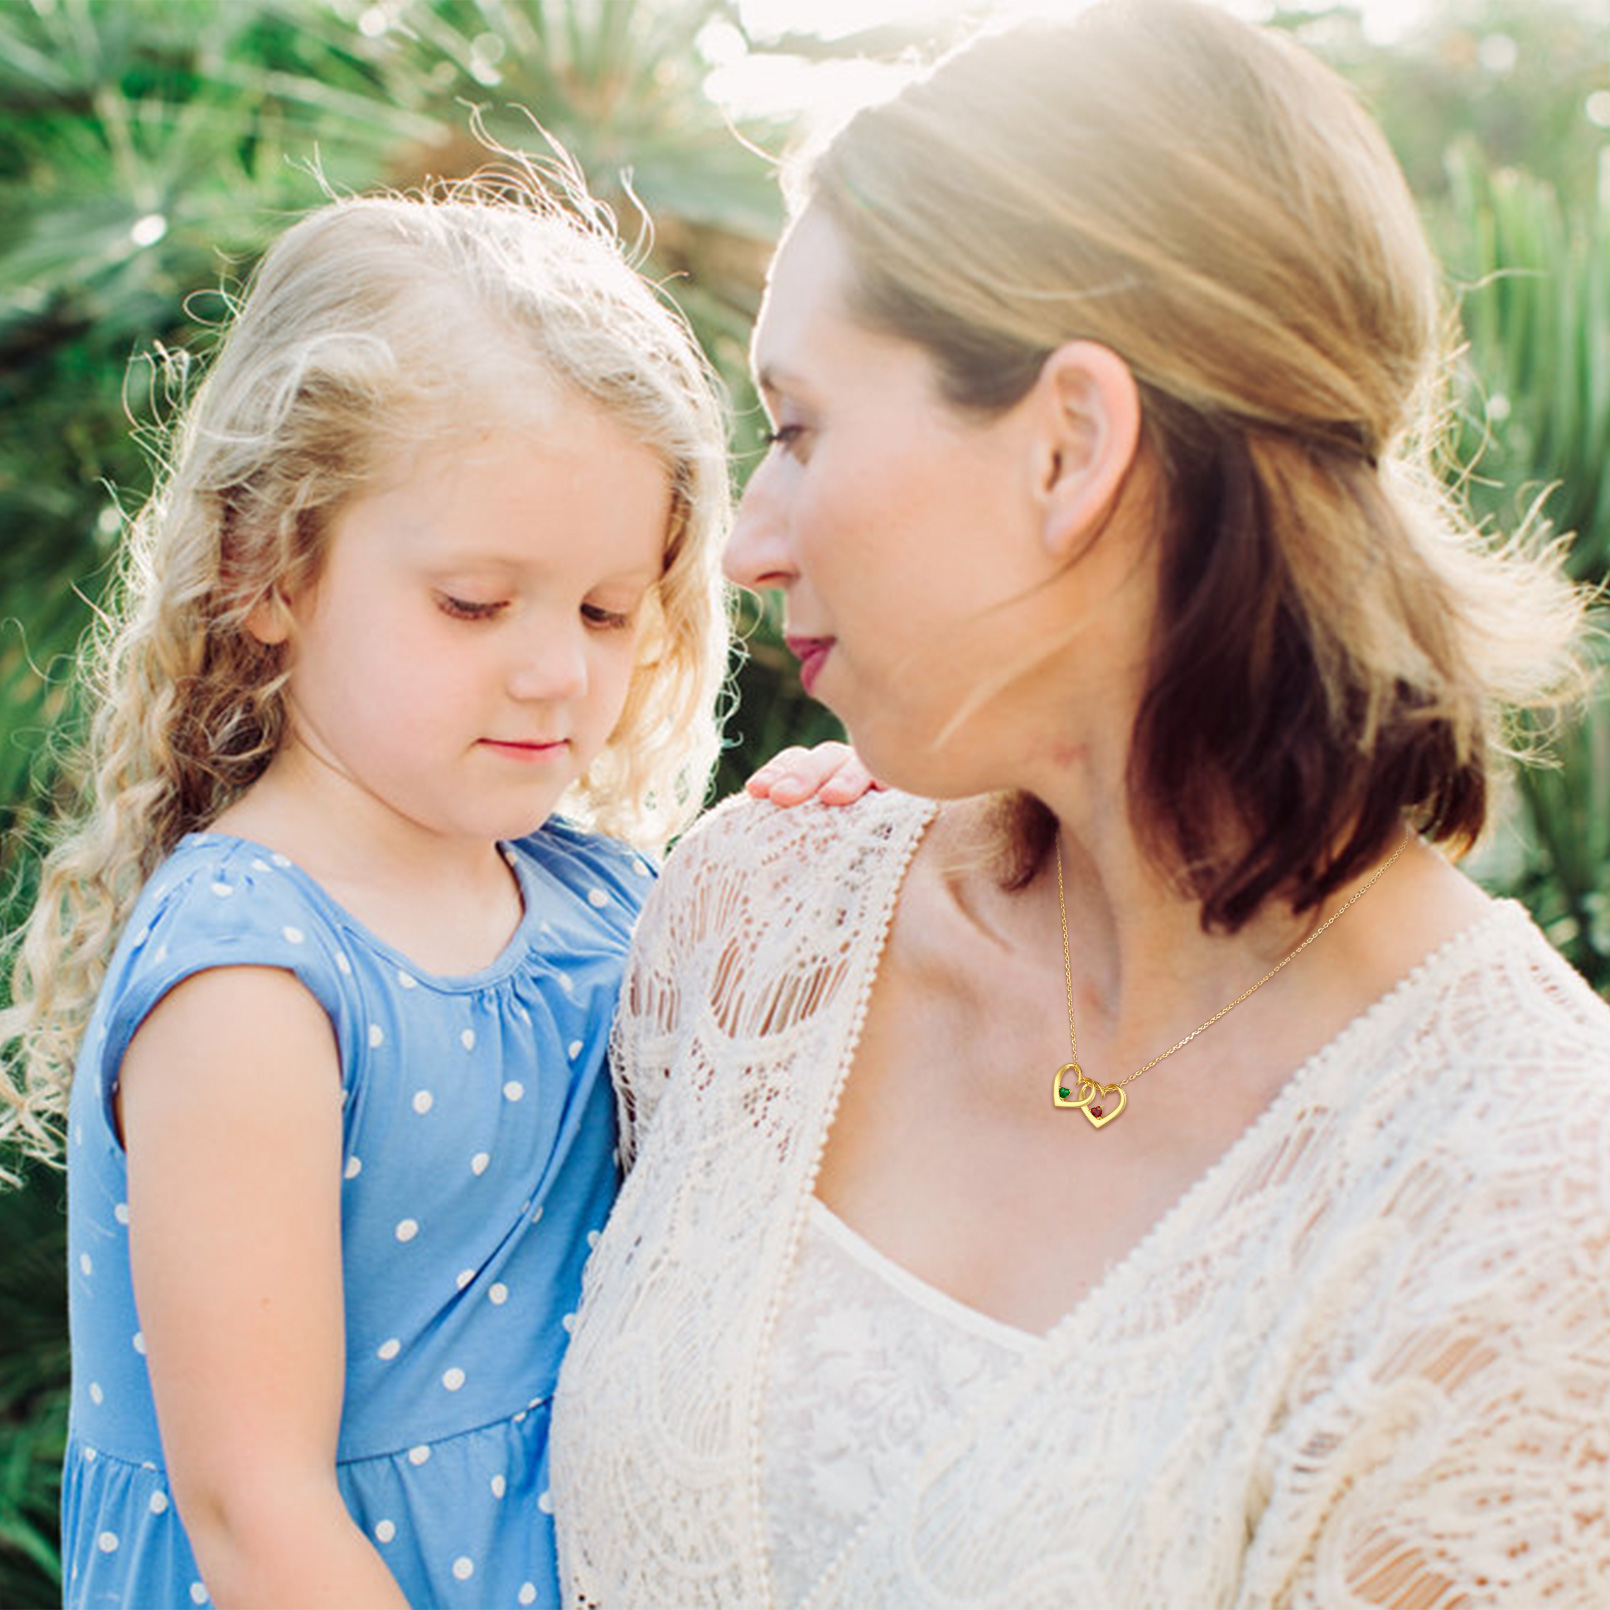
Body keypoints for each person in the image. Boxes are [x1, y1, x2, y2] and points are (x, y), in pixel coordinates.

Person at [549, 1, 1610, 1603]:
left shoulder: (1520, 1210)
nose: (748, 540)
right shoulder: (760, 921)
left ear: (1068, 446)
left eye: (800, 426)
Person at [0, 162, 868, 1609]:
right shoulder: (252, 978)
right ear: (265, 564)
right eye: (474, 601)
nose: (554, 669)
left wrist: (808, 867)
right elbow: (251, 1508)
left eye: (603, 610)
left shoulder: (594, 896)